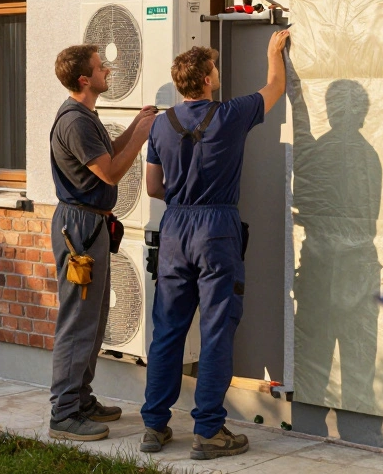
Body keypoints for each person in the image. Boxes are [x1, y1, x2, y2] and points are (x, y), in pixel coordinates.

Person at [139, 30, 291, 459]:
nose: (218, 73)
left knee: (168, 329)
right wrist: (272, 52)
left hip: (174, 229)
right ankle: (209, 431)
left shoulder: (161, 124)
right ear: (206, 78)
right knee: (216, 329)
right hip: (216, 229)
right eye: (215, 68)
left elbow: (153, 186)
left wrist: (183, 199)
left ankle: (154, 426)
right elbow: (275, 87)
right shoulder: (231, 114)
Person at [48, 44, 157, 441]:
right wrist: (142, 138)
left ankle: (80, 399)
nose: (107, 70)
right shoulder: (75, 121)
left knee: (91, 320)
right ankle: (63, 413)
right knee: (78, 321)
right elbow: (110, 173)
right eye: (100, 67)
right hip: (79, 231)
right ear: (84, 79)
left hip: (90, 227)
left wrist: (135, 125)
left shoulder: (85, 116)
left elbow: (107, 152)